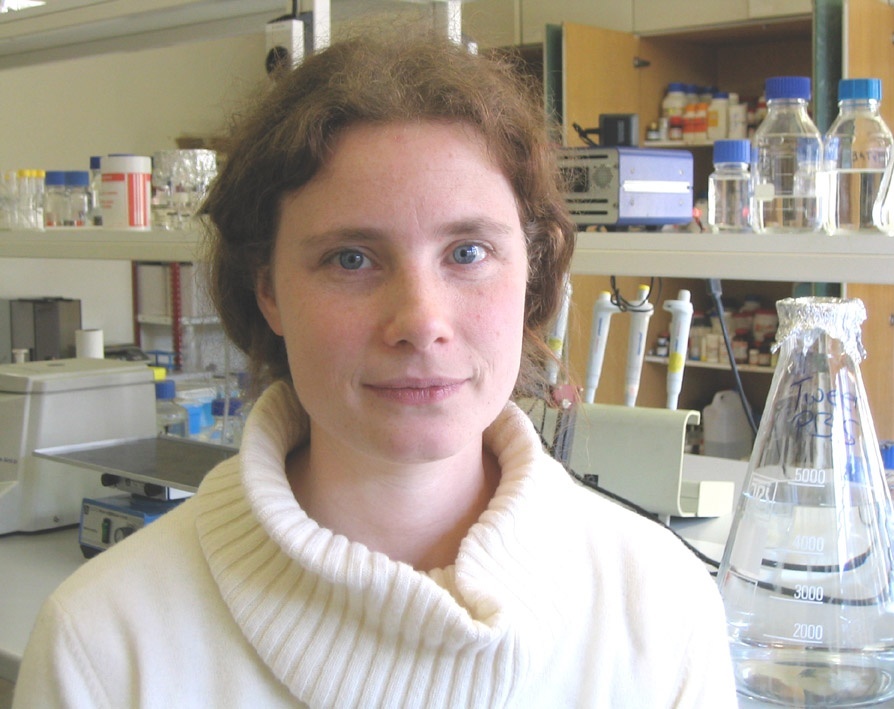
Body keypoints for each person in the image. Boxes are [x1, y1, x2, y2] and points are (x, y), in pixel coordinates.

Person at [13, 31, 737, 708]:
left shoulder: (660, 608)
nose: (420, 321)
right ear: (268, 291)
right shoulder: (103, 648)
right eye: (350, 258)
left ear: (533, 272)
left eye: (467, 253)